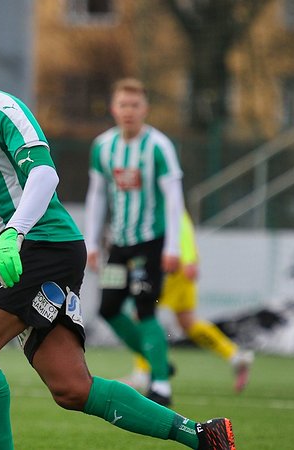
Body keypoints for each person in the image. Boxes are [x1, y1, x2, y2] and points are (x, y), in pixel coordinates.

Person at [0, 27, 237, 450]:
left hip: (44, 244)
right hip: (20, 251)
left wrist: (13, 233)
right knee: (72, 388)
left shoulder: (2, 111)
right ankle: (203, 436)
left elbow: (44, 173)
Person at [84, 77, 183, 406]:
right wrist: (92, 242)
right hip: (119, 244)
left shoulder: (159, 146)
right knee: (108, 308)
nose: (128, 111)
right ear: (113, 109)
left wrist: (173, 247)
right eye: (123, 105)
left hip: (150, 244)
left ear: (145, 109)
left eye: (135, 105)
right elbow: (97, 195)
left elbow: (174, 197)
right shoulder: (103, 146)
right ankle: (158, 361)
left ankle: (161, 386)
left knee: (144, 308)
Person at [120, 210, 254, 393]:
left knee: (142, 315)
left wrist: (189, 259)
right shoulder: (167, 201)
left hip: (169, 266)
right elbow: (182, 224)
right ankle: (235, 356)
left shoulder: (161, 199)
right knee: (188, 322)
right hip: (180, 266)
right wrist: (190, 259)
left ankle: (143, 373)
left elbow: (179, 225)